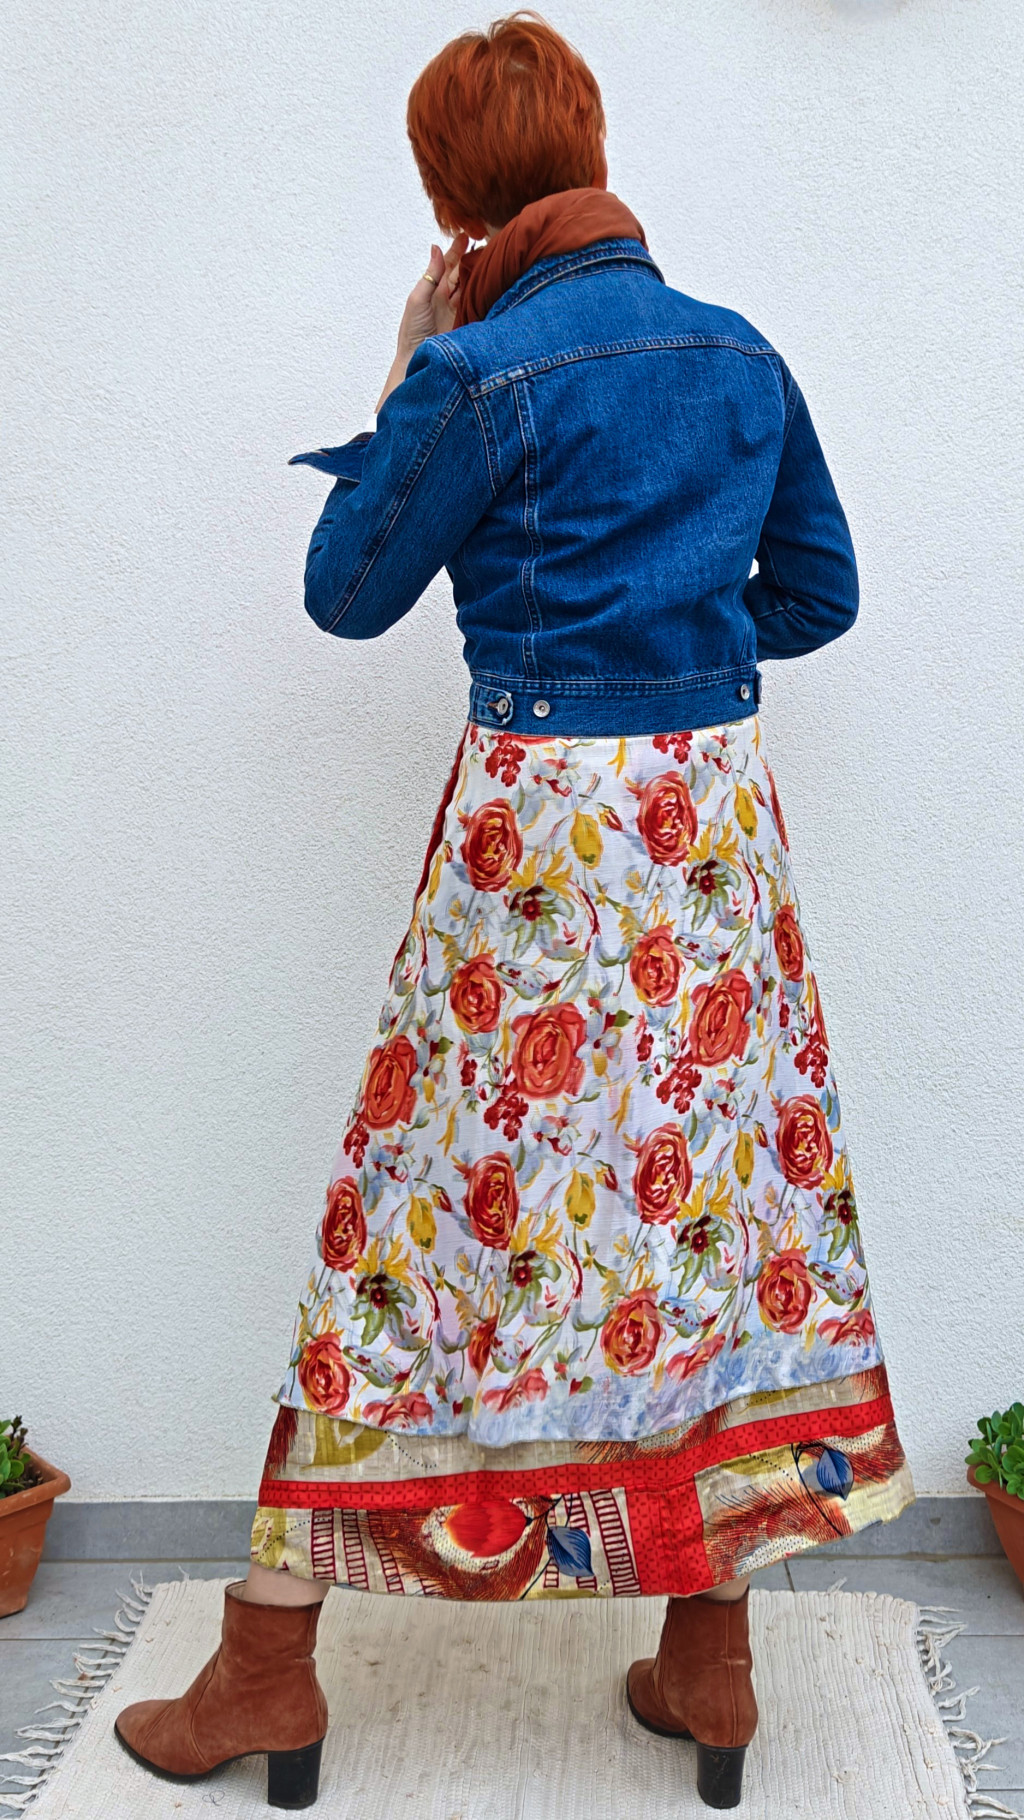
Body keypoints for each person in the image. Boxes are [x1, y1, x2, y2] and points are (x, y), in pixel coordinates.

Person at [114, 11, 914, 1811]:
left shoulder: (477, 374)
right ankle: (710, 1651)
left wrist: (411, 364)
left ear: (451, 198)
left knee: (421, 1216)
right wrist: (673, 657)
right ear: (592, 148)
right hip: (708, 839)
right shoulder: (741, 352)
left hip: (536, 841)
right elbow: (820, 597)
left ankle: (268, 1661)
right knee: (709, 1213)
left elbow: (347, 595)